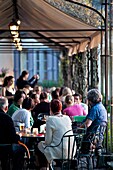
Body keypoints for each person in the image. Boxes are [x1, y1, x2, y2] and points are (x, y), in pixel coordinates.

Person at [35, 99, 76, 169]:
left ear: (50, 109)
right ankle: (48, 166)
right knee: (44, 147)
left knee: (39, 146)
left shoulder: (50, 119)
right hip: (71, 150)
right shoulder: (67, 118)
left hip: (59, 151)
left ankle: (44, 168)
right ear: (61, 108)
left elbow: (48, 141)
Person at [0, 97, 25, 170]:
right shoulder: (7, 118)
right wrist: (19, 135)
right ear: (6, 107)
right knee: (20, 149)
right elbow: (13, 138)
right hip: (5, 148)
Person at [80, 89, 107, 154]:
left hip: (91, 138)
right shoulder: (102, 108)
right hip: (99, 138)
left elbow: (88, 124)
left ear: (90, 100)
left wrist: (79, 128)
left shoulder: (94, 109)